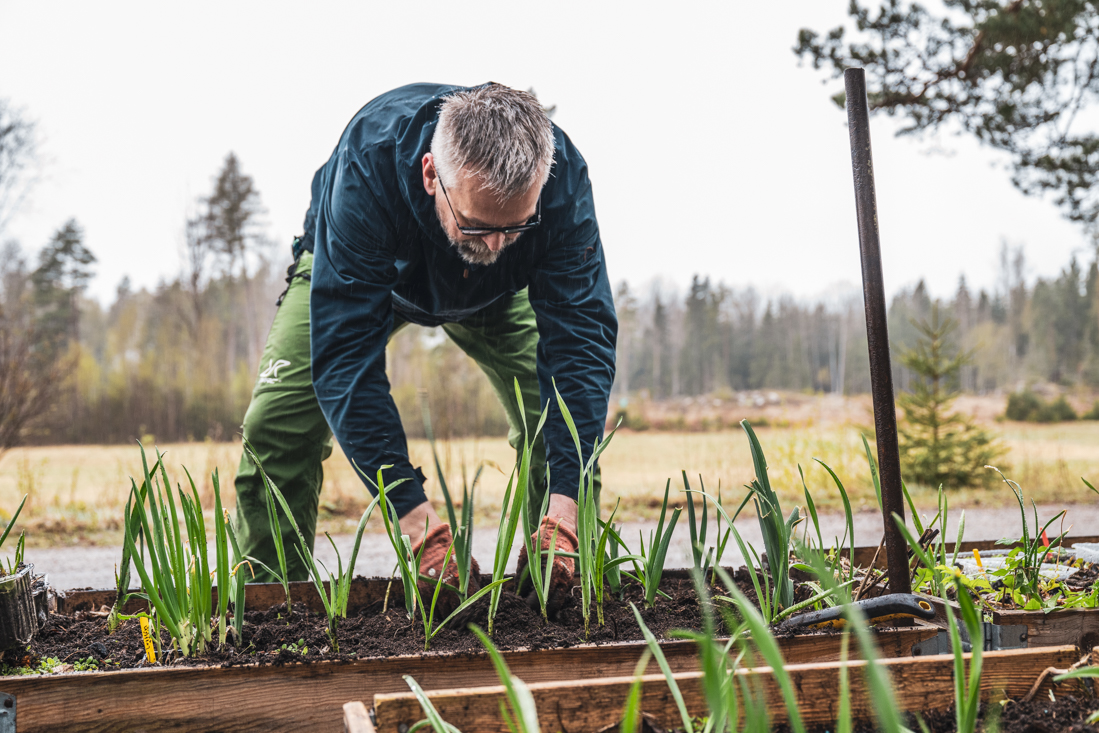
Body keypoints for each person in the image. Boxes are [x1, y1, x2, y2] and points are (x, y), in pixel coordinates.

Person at [233, 82, 616, 613]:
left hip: (496, 292)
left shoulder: (562, 176)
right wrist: (420, 527)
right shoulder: (370, 163)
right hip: (366, 278)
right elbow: (346, 360)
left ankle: (553, 592)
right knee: (276, 424)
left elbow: (580, 342)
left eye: (517, 227)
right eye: (479, 224)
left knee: (553, 415)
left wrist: (567, 510)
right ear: (432, 174)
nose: (498, 243)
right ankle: (271, 616)